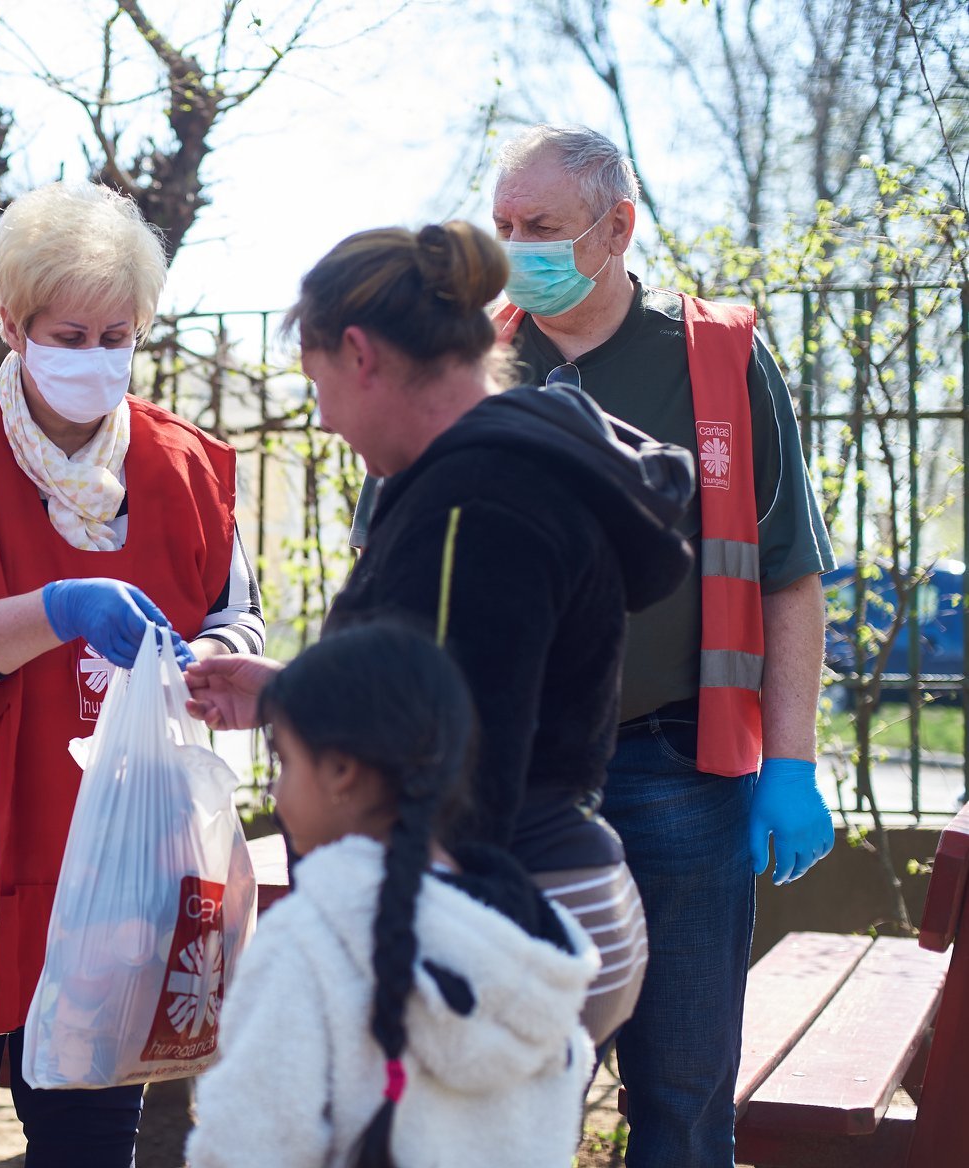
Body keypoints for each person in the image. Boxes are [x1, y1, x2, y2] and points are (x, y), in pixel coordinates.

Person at [0, 180, 265, 1167]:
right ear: (13, 325)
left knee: (87, 1130)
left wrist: (206, 660)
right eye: (66, 334)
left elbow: (234, 614)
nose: (93, 356)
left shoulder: (186, 468)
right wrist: (59, 609)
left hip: (109, 858)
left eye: (116, 333)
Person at [186, 221, 694, 1050]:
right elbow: (448, 689)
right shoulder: (481, 474)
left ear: (360, 354)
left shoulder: (476, 497)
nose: (325, 421)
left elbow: (466, 755)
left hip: (494, 909)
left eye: (317, 386)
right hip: (533, 888)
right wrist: (290, 695)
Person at [489, 124, 836, 1168]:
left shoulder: (717, 360)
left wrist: (791, 761)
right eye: (502, 226)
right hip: (512, 783)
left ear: (617, 225)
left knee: (683, 1101)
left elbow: (789, 574)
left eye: (541, 226)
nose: (516, 247)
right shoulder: (472, 363)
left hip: (679, 772)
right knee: (508, 1095)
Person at [186, 621, 597, 1168]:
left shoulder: (308, 945)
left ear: (340, 772)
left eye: (283, 761)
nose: (276, 792)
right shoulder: (531, 938)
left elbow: (246, 1147)